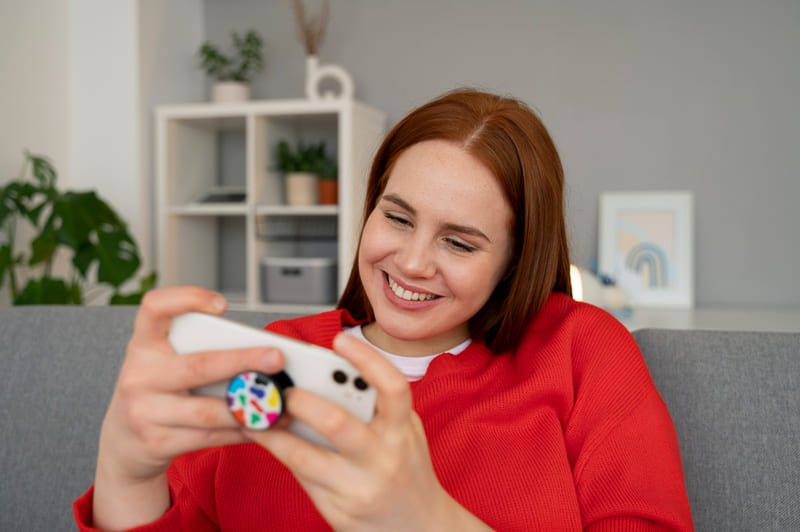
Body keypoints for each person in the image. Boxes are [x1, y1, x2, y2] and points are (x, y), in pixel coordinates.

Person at [74, 89, 693, 531]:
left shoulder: (581, 351)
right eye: (397, 217)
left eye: (459, 243)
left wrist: (426, 519)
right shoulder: (275, 359)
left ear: (514, 260)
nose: (413, 262)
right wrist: (126, 470)